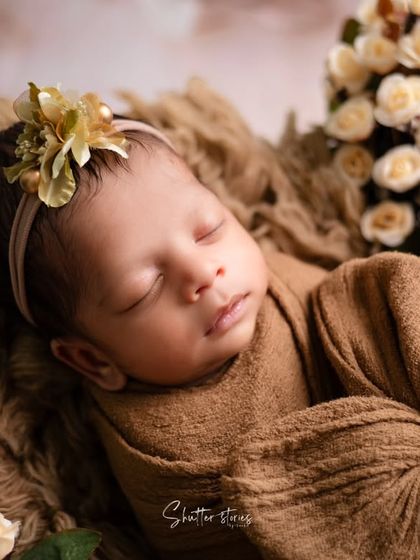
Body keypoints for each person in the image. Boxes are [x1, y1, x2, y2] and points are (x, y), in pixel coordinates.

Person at [2, 84, 420, 560]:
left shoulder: (279, 276)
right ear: (91, 359)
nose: (204, 273)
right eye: (146, 288)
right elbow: (231, 530)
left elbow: (367, 307)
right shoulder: (164, 457)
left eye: (209, 229)